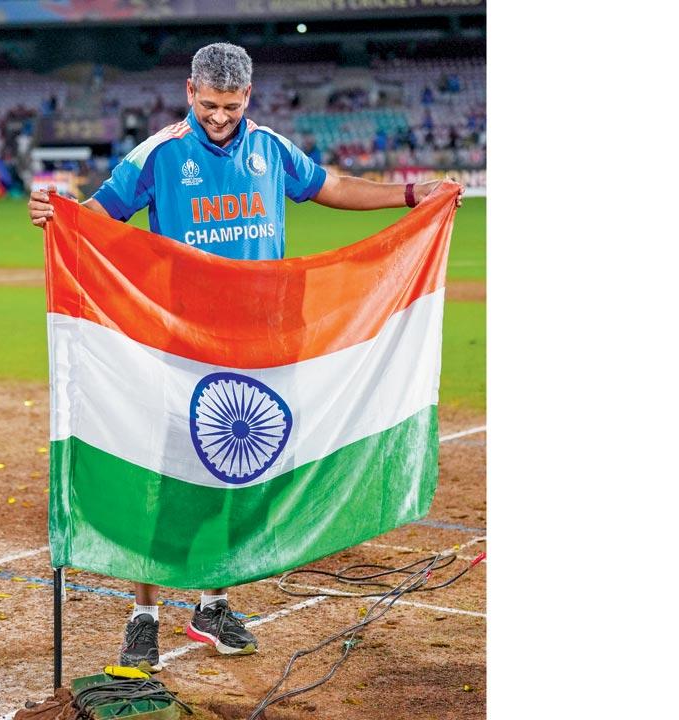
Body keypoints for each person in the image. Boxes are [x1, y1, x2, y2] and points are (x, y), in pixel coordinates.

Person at [27, 42, 461, 673]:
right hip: (177, 346)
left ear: (248, 97)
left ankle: (212, 604)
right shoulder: (159, 154)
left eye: (231, 106)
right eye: (210, 105)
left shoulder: (272, 149)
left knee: (236, 472)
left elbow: (331, 185)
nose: (221, 117)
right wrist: (55, 215)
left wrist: (408, 194)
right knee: (166, 477)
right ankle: (143, 616)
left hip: (259, 343)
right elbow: (95, 219)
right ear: (189, 92)